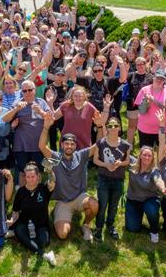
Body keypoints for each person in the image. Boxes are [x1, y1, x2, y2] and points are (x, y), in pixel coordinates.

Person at [38, 114, 98, 242]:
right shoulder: (55, 157)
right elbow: (42, 147)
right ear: (62, 145)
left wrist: (100, 126)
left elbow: (98, 145)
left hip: (79, 197)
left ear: (75, 146)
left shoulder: (81, 156)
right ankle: (62, 215)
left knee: (94, 205)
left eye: (72, 144)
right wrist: (46, 127)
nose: (69, 146)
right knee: (62, 234)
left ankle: (86, 225)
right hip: (63, 201)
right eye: (66, 144)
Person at [124, 109, 166, 243]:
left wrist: (163, 189)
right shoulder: (133, 164)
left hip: (149, 200)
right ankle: (136, 216)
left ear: (153, 158)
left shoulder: (154, 169)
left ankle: (154, 230)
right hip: (133, 200)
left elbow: (158, 180)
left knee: (151, 210)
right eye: (144, 155)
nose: (146, 157)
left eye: (149, 155)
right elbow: (124, 148)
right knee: (132, 229)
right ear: (139, 156)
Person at [9, 161, 57, 266]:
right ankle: (45, 255)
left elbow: (52, 182)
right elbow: (15, 211)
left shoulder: (43, 189)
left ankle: (28, 242)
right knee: (19, 231)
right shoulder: (21, 192)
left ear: (38, 176)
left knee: (43, 242)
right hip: (25, 223)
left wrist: (50, 171)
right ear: (25, 177)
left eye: (33, 176)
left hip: (41, 224)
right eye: (28, 177)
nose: (30, 179)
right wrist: (12, 220)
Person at [91, 117, 131, 242]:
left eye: (115, 126)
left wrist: (120, 163)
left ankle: (110, 226)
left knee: (113, 206)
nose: (113, 128)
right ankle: (98, 227)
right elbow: (95, 160)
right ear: (107, 128)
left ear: (119, 128)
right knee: (102, 205)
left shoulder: (125, 145)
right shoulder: (101, 143)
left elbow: (128, 161)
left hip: (118, 179)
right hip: (103, 178)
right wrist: (106, 165)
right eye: (110, 126)